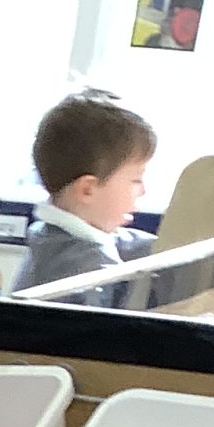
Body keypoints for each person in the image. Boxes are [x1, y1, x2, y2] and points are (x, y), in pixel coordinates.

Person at [16, 91, 156, 297]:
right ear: (87, 189)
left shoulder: (51, 238)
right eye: (136, 180)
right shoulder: (85, 272)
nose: (143, 191)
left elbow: (128, 242)